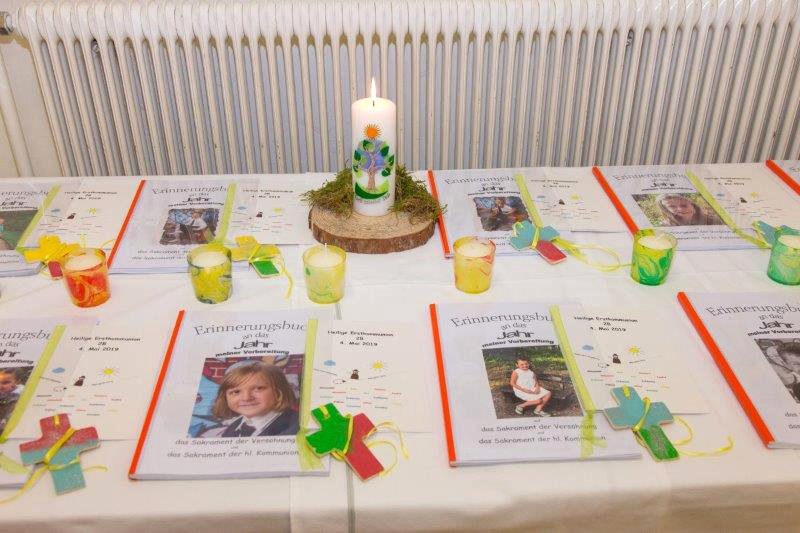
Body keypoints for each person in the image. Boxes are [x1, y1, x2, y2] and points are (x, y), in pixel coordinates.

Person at [201, 361, 299, 438]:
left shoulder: (296, 427)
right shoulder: (234, 427)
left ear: (278, 391)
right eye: (236, 392)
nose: (246, 398)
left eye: (258, 389)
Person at [657, 194, 723, 226]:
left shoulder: (714, 220)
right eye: (672, 206)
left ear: (693, 205)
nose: (680, 209)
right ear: (666, 209)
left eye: (684, 205)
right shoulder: (664, 225)